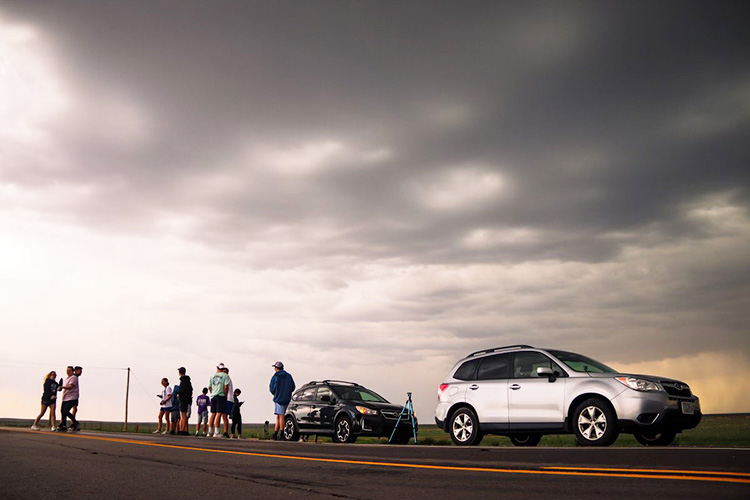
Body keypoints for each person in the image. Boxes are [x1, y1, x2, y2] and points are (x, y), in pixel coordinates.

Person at [269, 361, 295, 441]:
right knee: (279, 416)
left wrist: (276, 392)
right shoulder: (289, 376)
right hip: (287, 398)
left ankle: (281, 434)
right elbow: (293, 387)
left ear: (276, 368)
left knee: (281, 416)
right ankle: (275, 433)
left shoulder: (275, 377)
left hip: (278, 398)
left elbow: (272, 389)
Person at [208, 362, 231, 439]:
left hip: (213, 396)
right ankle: (216, 432)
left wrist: (212, 392)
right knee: (219, 413)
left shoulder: (212, 376)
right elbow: (226, 386)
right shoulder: (225, 375)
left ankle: (210, 431)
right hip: (220, 395)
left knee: (213, 413)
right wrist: (225, 395)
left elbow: (209, 387)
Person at [177, 367, 193, 435]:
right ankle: (184, 429)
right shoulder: (188, 381)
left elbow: (183, 390)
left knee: (183, 415)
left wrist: (179, 393)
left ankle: (182, 429)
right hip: (187, 399)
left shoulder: (183, 380)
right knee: (185, 415)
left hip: (183, 399)